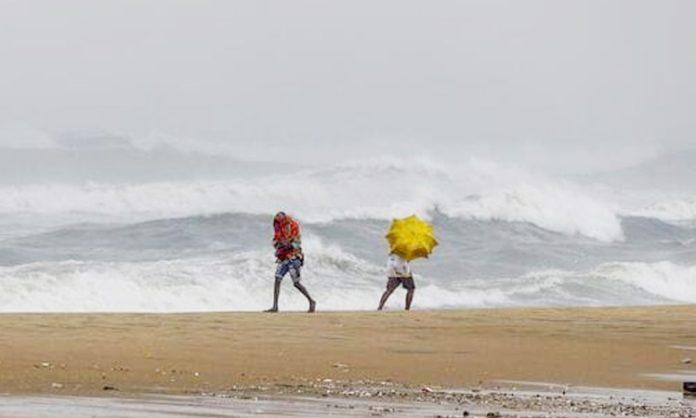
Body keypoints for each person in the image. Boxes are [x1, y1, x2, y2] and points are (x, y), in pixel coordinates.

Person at [265, 211, 316, 313]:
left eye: (279, 220)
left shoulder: (293, 226)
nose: (278, 223)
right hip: (283, 258)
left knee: (296, 283)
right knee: (277, 279)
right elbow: (275, 242)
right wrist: (278, 245)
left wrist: (286, 244)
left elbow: (297, 243)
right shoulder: (278, 229)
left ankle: (311, 301)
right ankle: (275, 306)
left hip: (294, 257)